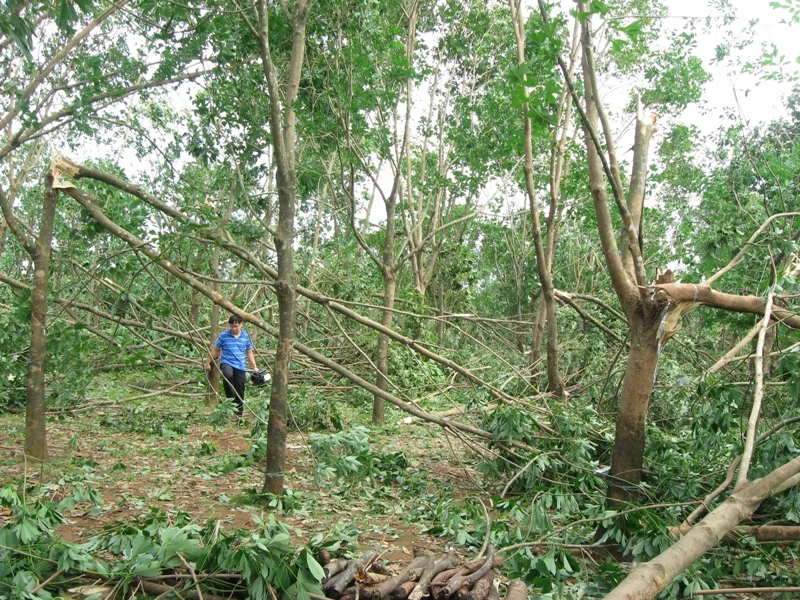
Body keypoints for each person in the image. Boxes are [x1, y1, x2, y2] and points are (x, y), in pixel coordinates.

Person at [206, 315, 259, 417]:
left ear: (241, 325)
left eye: (236, 326)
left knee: (240, 387)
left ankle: (238, 412)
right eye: (232, 326)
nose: (234, 329)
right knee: (227, 375)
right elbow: (216, 350)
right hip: (227, 362)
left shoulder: (245, 336)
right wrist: (208, 362)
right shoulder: (223, 336)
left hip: (240, 365)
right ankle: (230, 402)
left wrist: (254, 367)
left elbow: (249, 352)